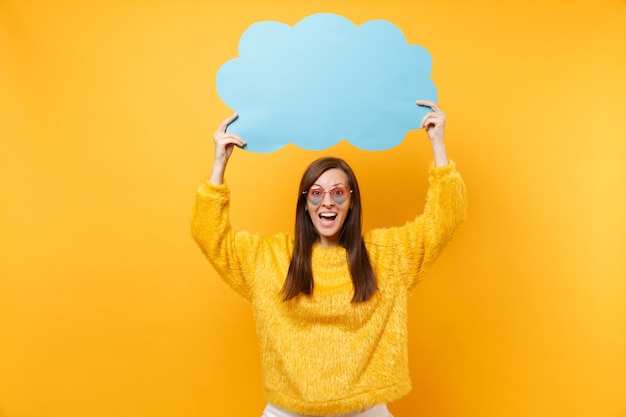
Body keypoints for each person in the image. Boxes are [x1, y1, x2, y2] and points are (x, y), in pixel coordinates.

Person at [191, 101, 467, 417]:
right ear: (305, 202)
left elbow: (446, 219)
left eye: (338, 192)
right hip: (289, 412)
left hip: (365, 410)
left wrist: (438, 145)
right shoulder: (269, 259)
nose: (327, 201)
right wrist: (219, 165)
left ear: (352, 200)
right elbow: (209, 235)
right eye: (316, 192)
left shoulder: (387, 255)